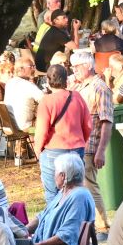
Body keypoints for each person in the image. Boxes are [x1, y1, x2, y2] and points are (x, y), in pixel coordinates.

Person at [29, 152, 95, 245]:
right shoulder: (63, 193)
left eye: (56, 172)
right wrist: (24, 230)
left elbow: (65, 238)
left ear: (63, 176)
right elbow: (42, 215)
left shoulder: (78, 197)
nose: (54, 176)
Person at [68, 50, 115, 229]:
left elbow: (107, 121)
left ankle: (102, 224)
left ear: (88, 66)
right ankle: (89, 223)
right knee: (82, 185)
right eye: (72, 67)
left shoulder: (100, 88)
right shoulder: (79, 86)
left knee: (90, 185)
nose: (74, 70)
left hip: (90, 145)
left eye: (77, 67)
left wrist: (101, 150)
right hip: (77, 143)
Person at [34, 64, 92, 206]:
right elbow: (88, 125)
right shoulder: (77, 96)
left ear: (48, 81)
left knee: (53, 193)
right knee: (76, 190)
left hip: (53, 150)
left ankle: (56, 224)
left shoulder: (46, 101)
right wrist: (80, 141)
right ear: (66, 79)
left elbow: (41, 131)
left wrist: (38, 151)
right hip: (76, 149)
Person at [4, 54, 44, 129]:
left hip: (9, 128)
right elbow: (44, 99)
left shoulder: (9, 83)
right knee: (49, 126)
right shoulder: (27, 85)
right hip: (26, 129)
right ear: (21, 69)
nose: (34, 69)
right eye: (31, 66)